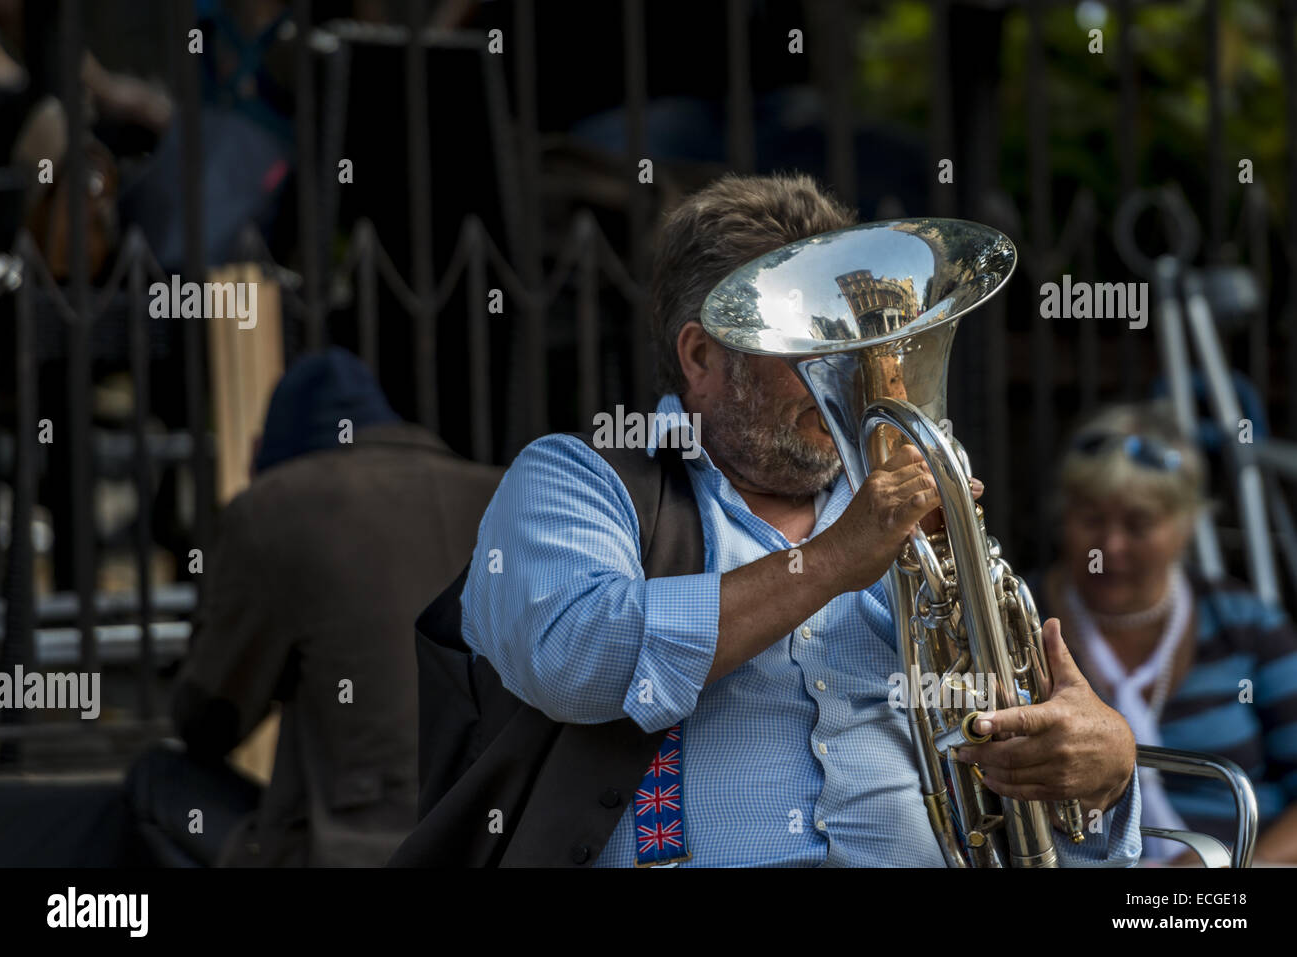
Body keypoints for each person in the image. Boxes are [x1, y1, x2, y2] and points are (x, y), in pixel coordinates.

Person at [457, 172, 1141, 867]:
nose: (854, 370)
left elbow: (1026, 778)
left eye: (859, 337)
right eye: (812, 339)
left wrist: (1106, 771)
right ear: (700, 356)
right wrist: (829, 562)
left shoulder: (904, 514)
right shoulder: (578, 479)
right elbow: (573, 659)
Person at [126, 347, 502, 866]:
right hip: (501, 839)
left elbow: (207, 720)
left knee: (157, 777)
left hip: (363, 848)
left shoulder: (275, 507)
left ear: (263, 450)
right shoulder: (503, 491)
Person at [1033, 402, 1297, 865]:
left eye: (1138, 524)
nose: (1111, 545)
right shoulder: (1021, 618)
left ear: (1186, 524)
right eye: (1092, 518)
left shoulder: (1246, 623)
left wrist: (1236, 866)